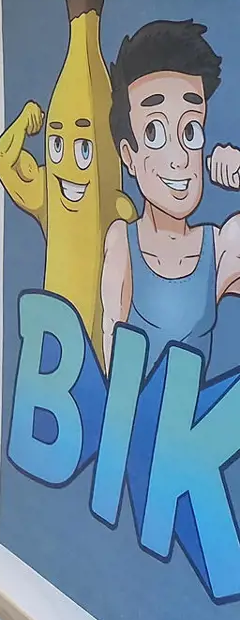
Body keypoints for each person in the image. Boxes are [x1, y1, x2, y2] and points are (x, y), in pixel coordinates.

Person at [101, 19, 240, 371]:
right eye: (154, 133)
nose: (179, 158)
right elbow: (111, 360)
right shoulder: (123, 241)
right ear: (129, 156)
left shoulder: (220, 248)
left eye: (191, 130)